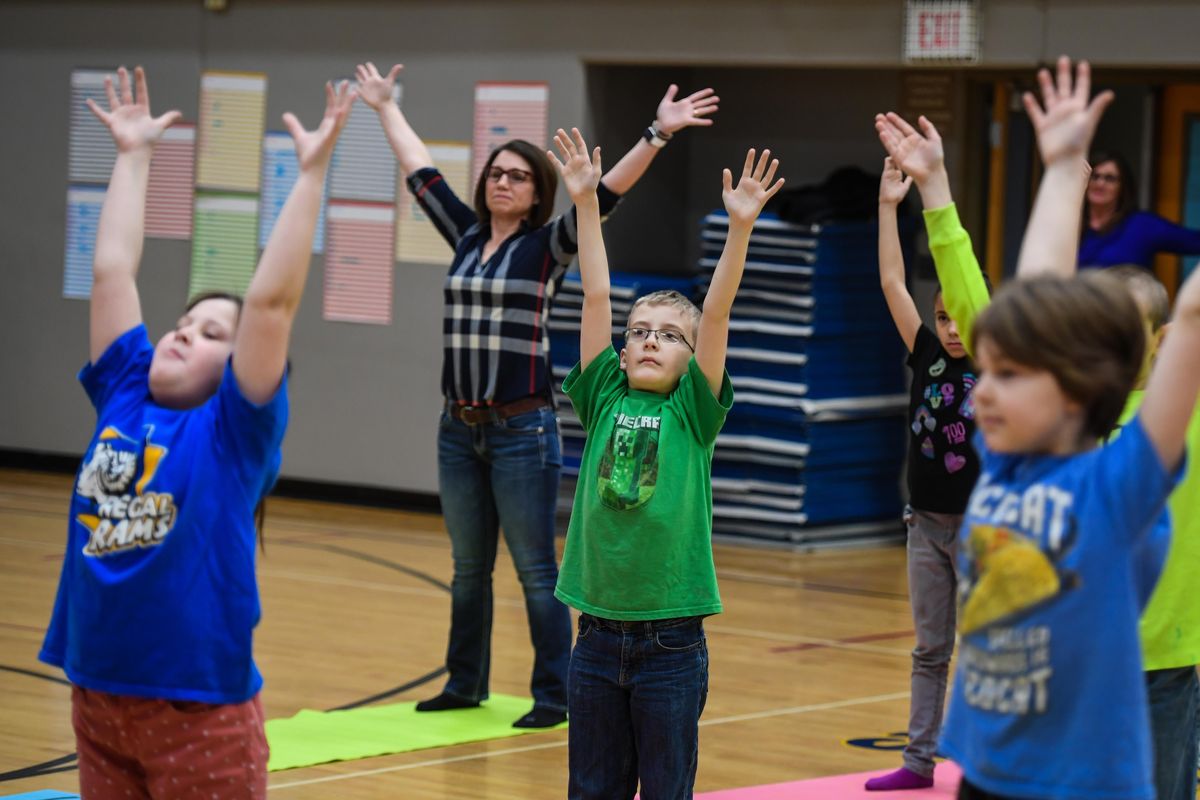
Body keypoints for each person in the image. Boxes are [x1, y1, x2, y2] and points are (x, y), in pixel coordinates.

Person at [353, 61, 719, 728]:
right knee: (468, 568)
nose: (502, 181)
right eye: (495, 172)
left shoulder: (546, 248)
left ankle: (552, 694)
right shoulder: (464, 237)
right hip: (457, 428)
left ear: (537, 192)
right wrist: (383, 105)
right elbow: (418, 168)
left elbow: (601, 195)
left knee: (532, 568)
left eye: (518, 175)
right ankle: (465, 684)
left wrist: (657, 134)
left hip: (524, 428)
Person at [38, 66, 354, 799]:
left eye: (211, 332)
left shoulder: (233, 433)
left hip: (198, 712)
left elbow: (271, 304)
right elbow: (113, 267)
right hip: (97, 699)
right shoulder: (124, 396)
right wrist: (133, 155)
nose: (181, 335)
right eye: (182, 323)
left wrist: (310, 175)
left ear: (236, 365)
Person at [884, 56, 1195, 800]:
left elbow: (1186, 326)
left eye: (1011, 375)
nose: (984, 390)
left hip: (1104, 737)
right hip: (994, 769)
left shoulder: (1120, 478)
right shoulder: (1012, 459)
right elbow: (1021, 303)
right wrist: (1048, 173)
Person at [548, 125, 781, 799]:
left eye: (669, 336)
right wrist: (586, 202)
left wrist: (739, 229)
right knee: (593, 787)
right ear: (622, 353)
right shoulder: (602, 395)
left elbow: (717, 311)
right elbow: (596, 294)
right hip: (593, 638)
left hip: (672, 645)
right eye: (640, 333)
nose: (651, 342)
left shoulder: (692, 411)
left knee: (667, 787)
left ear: (689, 358)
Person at [862, 157, 980, 791]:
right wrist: (887, 207)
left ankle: (990, 765)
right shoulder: (927, 354)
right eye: (943, 318)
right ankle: (917, 761)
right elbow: (890, 279)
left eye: (962, 317)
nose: (952, 329)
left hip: (984, 529)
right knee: (930, 649)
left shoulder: (999, 361)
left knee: (989, 649)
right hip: (926, 527)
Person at [1079, 150, 1200, 269]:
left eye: (1110, 178)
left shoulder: (1142, 225)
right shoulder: (1069, 223)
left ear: (1123, 186)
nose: (1100, 184)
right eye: (1094, 176)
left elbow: (1195, 242)